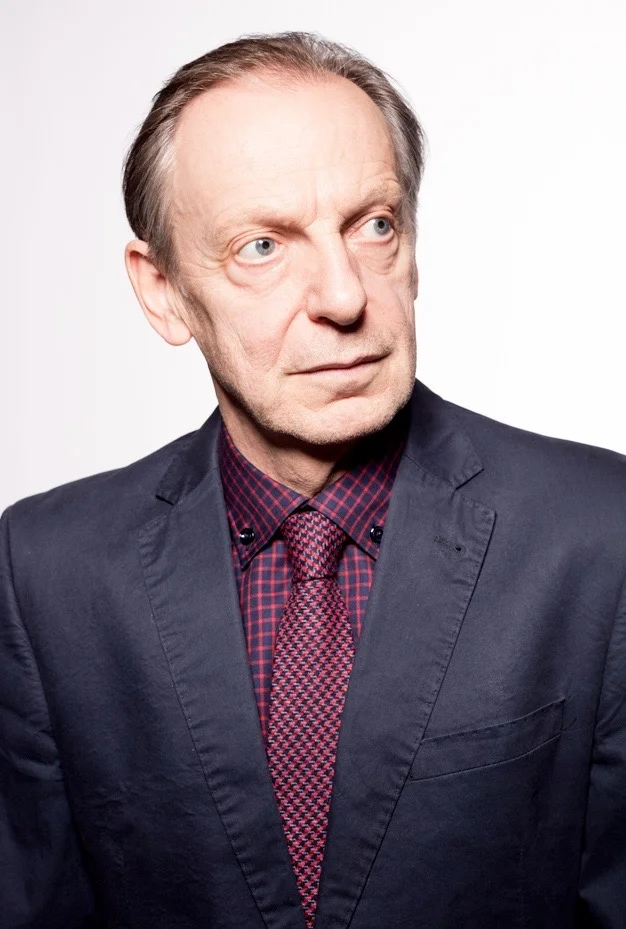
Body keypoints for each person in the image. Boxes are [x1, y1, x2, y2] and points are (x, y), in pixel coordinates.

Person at [0, 30, 624, 929]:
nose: (343, 295)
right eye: (262, 245)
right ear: (163, 290)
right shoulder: (45, 573)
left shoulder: (601, 534)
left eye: (375, 225)